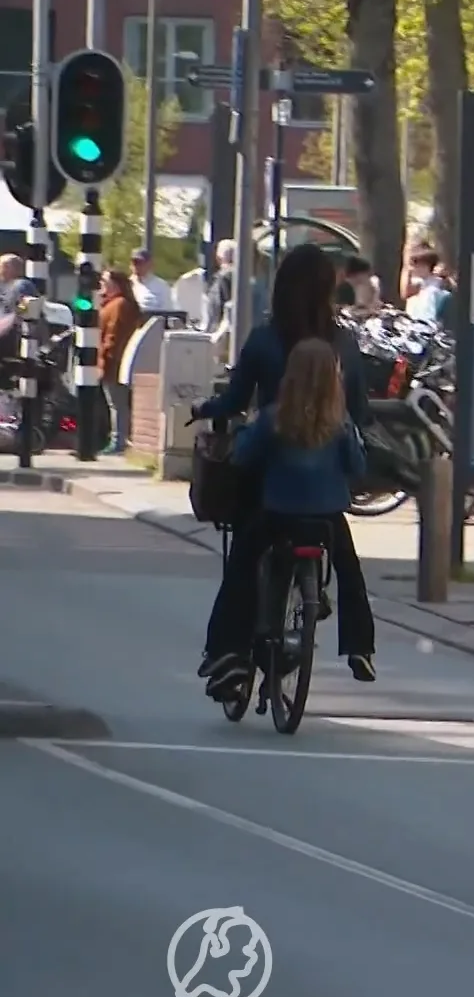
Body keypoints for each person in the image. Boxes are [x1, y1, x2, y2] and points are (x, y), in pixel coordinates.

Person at [195, 243, 376, 678]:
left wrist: (209, 411)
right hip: (328, 496)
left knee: (242, 557)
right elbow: (361, 416)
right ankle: (359, 646)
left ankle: (228, 650)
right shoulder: (345, 345)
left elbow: (237, 402)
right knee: (350, 568)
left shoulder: (263, 340)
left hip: (272, 483)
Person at [97, 271, 140, 455]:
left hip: (114, 363)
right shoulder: (114, 304)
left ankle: (119, 440)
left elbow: (113, 335)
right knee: (116, 403)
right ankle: (118, 438)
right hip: (113, 362)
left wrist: (106, 359)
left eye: (105, 281)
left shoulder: (119, 305)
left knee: (117, 404)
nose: (102, 284)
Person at [128, 248, 175, 314]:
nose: (137, 266)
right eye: (134, 263)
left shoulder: (162, 286)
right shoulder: (126, 284)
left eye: (140, 263)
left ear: (150, 264)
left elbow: (168, 311)